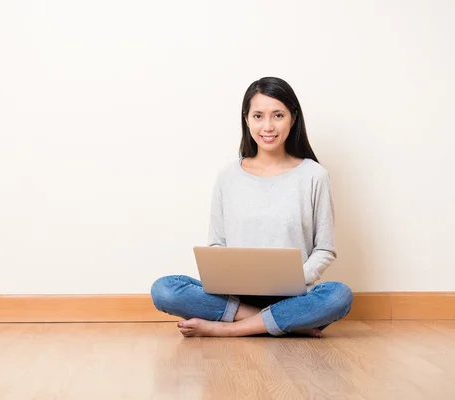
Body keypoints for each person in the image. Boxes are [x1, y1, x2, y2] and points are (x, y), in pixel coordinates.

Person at [150, 77, 353, 338]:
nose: (268, 126)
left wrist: (295, 279)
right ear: (246, 119)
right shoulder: (228, 176)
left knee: (339, 296)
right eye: (258, 116)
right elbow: (217, 244)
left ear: (293, 117)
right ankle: (275, 321)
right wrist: (223, 275)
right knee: (164, 289)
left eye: (277, 115)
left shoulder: (315, 176)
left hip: (294, 296)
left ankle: (227, 329)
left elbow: (324, 249)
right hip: (235, 297)